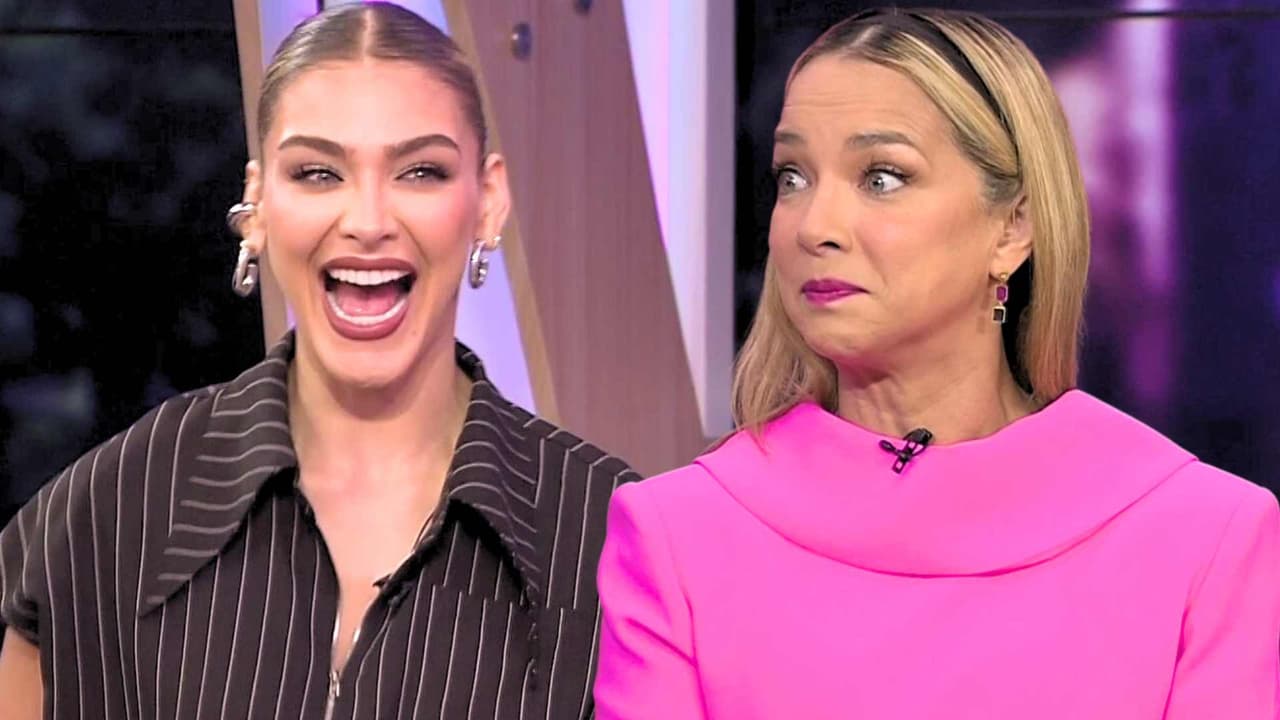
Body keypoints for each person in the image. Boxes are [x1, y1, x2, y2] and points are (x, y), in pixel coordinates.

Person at [594, 8, 1280, 719]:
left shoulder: (1204, 539)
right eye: (792, 177)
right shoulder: (678, 535)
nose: (815, 227)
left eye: (882, 177)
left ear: (1012, 227)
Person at [0, 4, 636, 718]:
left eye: (420, 171)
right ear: (256, 205)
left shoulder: (610, 535)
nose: (367, 222)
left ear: (487, 202)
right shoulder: (111, 509)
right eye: (318, 173)